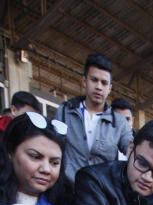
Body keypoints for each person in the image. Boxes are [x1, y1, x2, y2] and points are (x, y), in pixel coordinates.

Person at [0, 112, 83, 205]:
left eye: (54, 162)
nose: (46, 169)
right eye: (35, 156)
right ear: (10, 153)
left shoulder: (65, 201)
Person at [56, 53, 132, 184]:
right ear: (84, 81)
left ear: (110, 88)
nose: (99, 87)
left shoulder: (119, 123)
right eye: (94, 80)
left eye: (104, 83)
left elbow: (131, 149)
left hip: (100, 194)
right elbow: (53, 146)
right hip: (67, 189)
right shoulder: (65, 112)